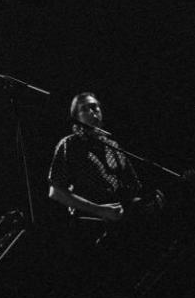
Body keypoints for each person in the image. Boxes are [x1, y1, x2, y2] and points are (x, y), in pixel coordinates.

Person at [48, 92, 144, 223]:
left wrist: (142, 203)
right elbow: (56, 192)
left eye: (94, 107)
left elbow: (133, 187)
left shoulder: (113, 146)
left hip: (119, 223)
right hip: (86, 223)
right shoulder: (69, 144)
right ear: (76, 118)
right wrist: (100, 210)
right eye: (84, 109)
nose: (92, 113)